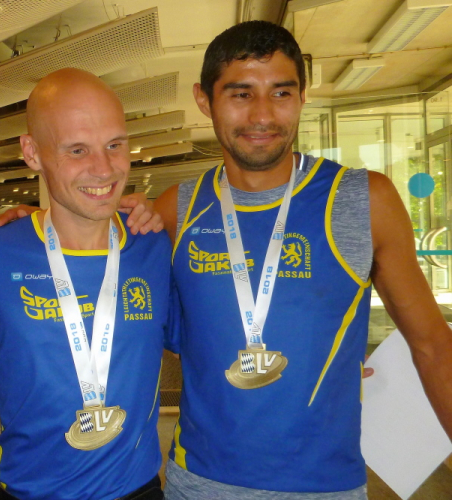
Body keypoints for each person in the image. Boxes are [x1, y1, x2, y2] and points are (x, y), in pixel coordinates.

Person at [153, 20, 452, 499]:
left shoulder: (363, 200)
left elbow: (434, 345)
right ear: (204, 100)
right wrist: (30, 224)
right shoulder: (176, 210)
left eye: (281, 93)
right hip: (198, 483)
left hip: (325, 488)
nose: (263, 115)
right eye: (241, 94)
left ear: (302, 97)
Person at [0, 68, 175, 500]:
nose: (103, 169)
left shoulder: (153, 247)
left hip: (136, 491)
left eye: (114, 145)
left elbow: (214, 342)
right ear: (32, 152)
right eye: (78, 149)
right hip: (27, 492)